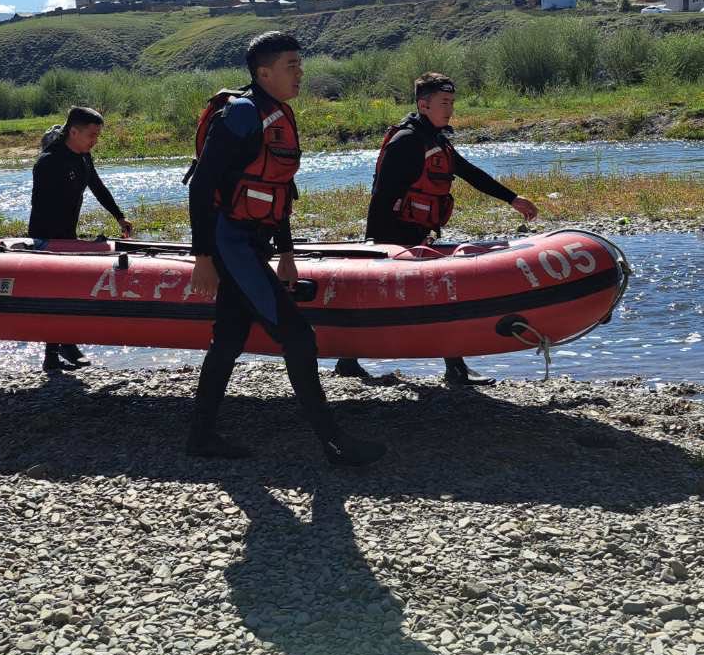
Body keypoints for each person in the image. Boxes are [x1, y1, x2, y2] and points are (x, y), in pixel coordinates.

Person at [185, 31, 385, 466]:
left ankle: (201, 437)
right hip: (230, 243)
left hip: (254, 244)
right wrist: (203, 257)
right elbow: (201, 185)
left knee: (229, 339)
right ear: (263, 72)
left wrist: (287, 253)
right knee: (298, 336)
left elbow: (278, 189)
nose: (300, 72)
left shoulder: (280, 114)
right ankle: (334, 444)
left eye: (300, 63)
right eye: (291, 65)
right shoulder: (240, 115)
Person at [334, 72, 539, 387]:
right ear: (423, 104)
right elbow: (381, 195)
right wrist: (374, 245)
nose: (450, 109)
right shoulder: (407, 142)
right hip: (393, 235)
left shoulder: (437, 140)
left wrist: (512, 198)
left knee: (440, 297)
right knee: (390, 299)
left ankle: (452, 368)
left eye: (452, 102)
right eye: (444, 103)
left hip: (421, 232)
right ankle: (349, 360)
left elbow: (469, 172)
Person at [27, 105, 135, 372]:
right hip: (47, 237)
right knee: (56, 294)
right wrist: (63, 245)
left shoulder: (84, 157)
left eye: (98, 135)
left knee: (65, 292)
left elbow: (97, 186)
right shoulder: (48, 162)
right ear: (73, 131)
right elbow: (41, 207)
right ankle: (60, 350)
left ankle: (57, 353)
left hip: (68, 236)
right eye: (91, 135)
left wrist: (119, 217)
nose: (95, 141)